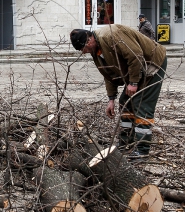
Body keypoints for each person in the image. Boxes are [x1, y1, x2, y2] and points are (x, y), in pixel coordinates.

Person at [70, 26, 167, 161]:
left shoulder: (111, 36)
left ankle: (142, 149)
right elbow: (108, 74)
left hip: (152, 63)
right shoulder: (96, 50)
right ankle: (126, 143)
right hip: (136, 69)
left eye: (83, 49)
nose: (84, 52)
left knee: (142, 105)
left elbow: (136, 55)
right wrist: (111, 99)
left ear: (89, 40)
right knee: (125, 103)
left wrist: (133, 83)